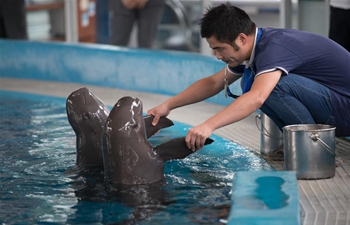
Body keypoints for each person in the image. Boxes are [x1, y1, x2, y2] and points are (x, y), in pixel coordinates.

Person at [147, 3, 350, 152]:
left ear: (242, 38)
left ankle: (315, 151)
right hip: (334, 104)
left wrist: (208, 125)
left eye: (220, 49)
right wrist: (169, 105)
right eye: (213, 50)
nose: (218, 56)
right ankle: (300, 144)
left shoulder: (273, 50)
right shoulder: (252, 49)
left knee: (272, 87)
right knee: (260, 84)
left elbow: (257, 97)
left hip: (345, 109)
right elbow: (213, 82)